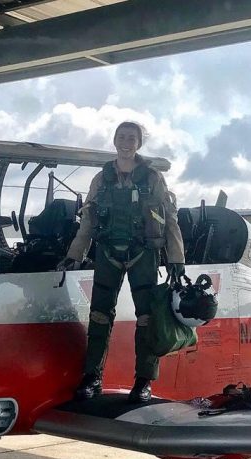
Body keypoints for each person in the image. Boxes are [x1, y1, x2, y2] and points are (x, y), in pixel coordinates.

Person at [57, 121, 184, 403]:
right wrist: (73, 254)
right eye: (122, 136)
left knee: (147, 319)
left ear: (139, 143)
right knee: (99, 316)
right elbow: (87, 220)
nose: (126, 142)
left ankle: (143, 381)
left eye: (132, 137)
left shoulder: (152, 178)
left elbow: (170, 218)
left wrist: (177, 258)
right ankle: (92, 377)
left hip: (144, 254)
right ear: (114, 140)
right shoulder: (101, 179)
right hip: (107, 254)